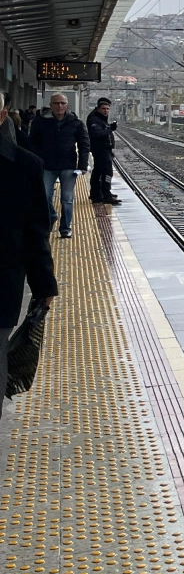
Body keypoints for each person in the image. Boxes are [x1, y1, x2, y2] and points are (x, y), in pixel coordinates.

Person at [0, 92, 57, 415]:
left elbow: (35, 233)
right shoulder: (24, 164)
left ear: (2, 116)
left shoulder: (25, 166)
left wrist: (44, 286)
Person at [29, 93, 90, 239]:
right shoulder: (40, 122)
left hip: (68, 165)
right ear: (50, 105)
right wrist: (36, 161)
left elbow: (84, 144)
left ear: (67, 105)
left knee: (67, 199)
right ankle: (51, 216)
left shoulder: (76, 122)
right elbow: (32, 143)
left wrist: (82, 164)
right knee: (45, 196)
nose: (59, 106)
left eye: (62, 103)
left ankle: (65, 228)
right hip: (46, 165)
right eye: (56, 103)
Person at [87, 97, 121, 205]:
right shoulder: (94, 120)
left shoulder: (100, 119)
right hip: (100, 150)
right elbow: (97, 133)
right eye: (103, 109)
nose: (106, 111)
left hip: (104, 150)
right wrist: (110, 128)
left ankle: (98, 193)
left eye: (107, 109)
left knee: (98, 172)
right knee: (106, 172)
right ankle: (106, 195)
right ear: (98, 108)